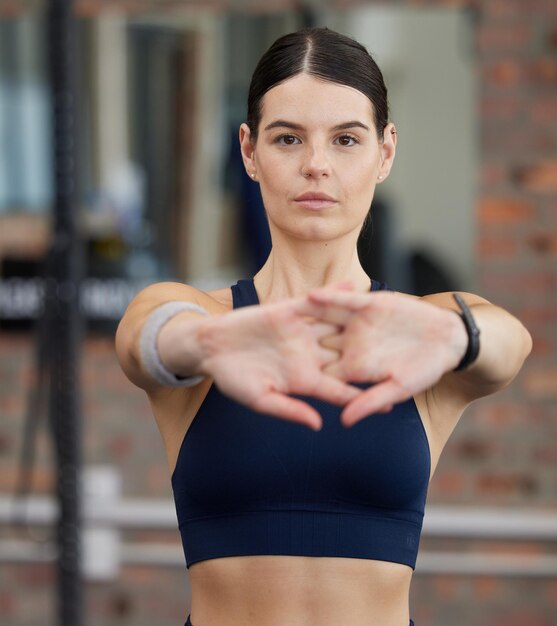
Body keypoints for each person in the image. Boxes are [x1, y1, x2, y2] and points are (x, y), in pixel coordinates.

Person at [115, 27, 532, 626]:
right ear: (249, 152)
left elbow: (511, 341)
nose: (316, 165)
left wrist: (458, 336)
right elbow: (142, 335)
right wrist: (204, 342)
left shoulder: (420, 331)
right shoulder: (206, 322)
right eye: (287, 139)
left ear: (385, 152)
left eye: (345, 139)